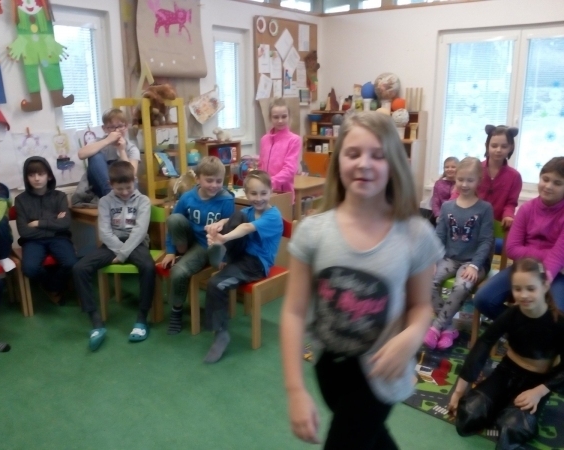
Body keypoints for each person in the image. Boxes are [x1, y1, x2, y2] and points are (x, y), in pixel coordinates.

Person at [280, 111, 444, 449]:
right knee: (373, 442)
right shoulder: (313, 231)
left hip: (380, 373)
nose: (364, 164)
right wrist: (295, 389)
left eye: (377, 155)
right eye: (353, 153)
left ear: (393, 164)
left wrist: (412, 336)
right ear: (338, 160)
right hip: (329, 368)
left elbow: (421, 306)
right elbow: (293, 311)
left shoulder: (415, 234)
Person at [449, 258, 564, 449]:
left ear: (545, 286)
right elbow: (484, 343)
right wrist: (459, 391)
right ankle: (502, 404)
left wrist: (539, 392)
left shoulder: (558, 322)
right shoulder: (512, 313)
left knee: (511, 428)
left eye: (531, 289)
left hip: (537, 382)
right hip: (506, 372)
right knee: (468, 415)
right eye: (518, 289)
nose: (524, 295)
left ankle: (509, 410)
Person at [202, 170, 283, 363]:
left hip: (257, 263)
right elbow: (231, 221)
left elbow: (246, 228)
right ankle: (221, 253)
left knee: (216, 284)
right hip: (240, 256)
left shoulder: (273, 215)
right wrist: (217, 226)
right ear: (246, 194)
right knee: (235, 216)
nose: (258, 198)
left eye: (263, 193)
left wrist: (223, 238)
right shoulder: (248, 212)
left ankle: (221, 334)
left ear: (271, 192)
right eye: (253, 193)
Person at [72, 161, 154, 351]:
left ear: (134, 181)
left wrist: (123, 254)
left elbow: (140, 231)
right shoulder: (105, 201)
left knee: (148, 267)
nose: (124, 192)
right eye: (119, 188)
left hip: (136, 243)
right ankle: (96, 323)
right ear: (111, 184)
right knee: (79, 268)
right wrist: (119, 250)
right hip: (111, 244)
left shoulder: (143, 201)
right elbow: (104, 232)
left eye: (128, 187)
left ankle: (142, 319)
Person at [474, 157, 564, 318]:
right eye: (545, 179)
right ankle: (518, 327)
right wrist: (547, 254)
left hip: (556, 273)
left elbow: (558, 257)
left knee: (555, 314)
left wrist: (541, 281)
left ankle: (531, 329)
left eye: (557, 183)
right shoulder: (526, 209)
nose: (549, 186)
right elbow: (512, 249)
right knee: (483, 299)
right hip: (523, 268)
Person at [161, 156, 235, 335]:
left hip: (207, 246)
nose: (214, 185)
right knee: (174, 219)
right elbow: (172, 225)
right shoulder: (187, 197)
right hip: (189, 240)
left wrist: (225, 257)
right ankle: (181, 252)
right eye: (209, 180)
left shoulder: (226, 200)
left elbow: (230, 232)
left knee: (179, 271)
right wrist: (170, 251)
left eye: (218, 181)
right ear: (198, 179)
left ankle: (177, 311)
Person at [425, 157, 493, 350]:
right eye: (461, 179)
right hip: (449, 258)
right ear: (455, 179)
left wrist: (475, 265)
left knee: (461, 286)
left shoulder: (485, 208)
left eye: (470, 180)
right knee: (428, 281)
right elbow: (439, 236)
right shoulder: (447, 207)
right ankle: (448, 328)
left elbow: (486, 241)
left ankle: (436, 327)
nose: (464, 184)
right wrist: (432, 261)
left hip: (473, 262)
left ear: (478, 181)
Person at [15, 156, 77, 305]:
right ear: (26, 177)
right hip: (33, 241)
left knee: (72, 264)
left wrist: (38, 223)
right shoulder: (20, 200)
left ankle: (52, 287)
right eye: (31, 175)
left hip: (59, 238)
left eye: (41, 174)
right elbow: (24, 231)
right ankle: (53, 287)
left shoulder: (60, 196)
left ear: (49, 176)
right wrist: (54, 222)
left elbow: (65, 223)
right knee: (29, 269)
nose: (36, 178)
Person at [451, 125, 522, 229]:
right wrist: (451, 207)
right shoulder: (475, 168)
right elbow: (459, 191)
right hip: (469, 223)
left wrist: (508, 215)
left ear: (510, 147)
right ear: (487, 146)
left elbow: (511, 203)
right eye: (494, 146)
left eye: (504, 146)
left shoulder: (515, 176)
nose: (498, 150)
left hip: (496, 226)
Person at [76, 108, 140, 199]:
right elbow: (81, 154)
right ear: (104, 129)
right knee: (96, 156)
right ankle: (113, 198)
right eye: (112, 127)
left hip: (124, 188)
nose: (117, 131)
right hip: (101, 187)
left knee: (133, 182)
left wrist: (122, 151)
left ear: (126, 126)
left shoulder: (132, 148)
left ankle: (115, 199)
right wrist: (107, 141)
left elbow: (132, 175)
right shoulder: (99, 142)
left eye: (120, 126)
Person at [258, 98, 301, 201]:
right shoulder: (264, 139)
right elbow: (261, 166)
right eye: (276, 117)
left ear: (289, 116)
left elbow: (289, 169)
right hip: (264, 193)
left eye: (284, 116)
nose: (280, 120)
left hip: (284, 194)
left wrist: (270, 182)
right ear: (270, 118)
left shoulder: (294, 140)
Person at [430, 156, 458, 225]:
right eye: (447, 167)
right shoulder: (439, 183)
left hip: (456, 216)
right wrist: (438, 215)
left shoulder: (460, 184)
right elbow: (435, 201)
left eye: (453, 167)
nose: (449, 169)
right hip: (440, 215)